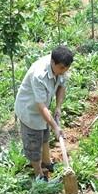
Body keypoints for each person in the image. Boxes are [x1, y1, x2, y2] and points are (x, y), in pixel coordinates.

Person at [15, 46, 74, 181]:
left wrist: (58, 107)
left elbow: (61, 86)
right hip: (29, 111)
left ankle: (47, 162)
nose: (63, 71)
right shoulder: (39, 75)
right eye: (61, 69)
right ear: (53, 62)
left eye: (66, 69)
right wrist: (56, 127)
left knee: (45, 136)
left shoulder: (61, 68)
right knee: (34, 143)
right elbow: (41, 107)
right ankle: (39, 173)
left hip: (43, 109)